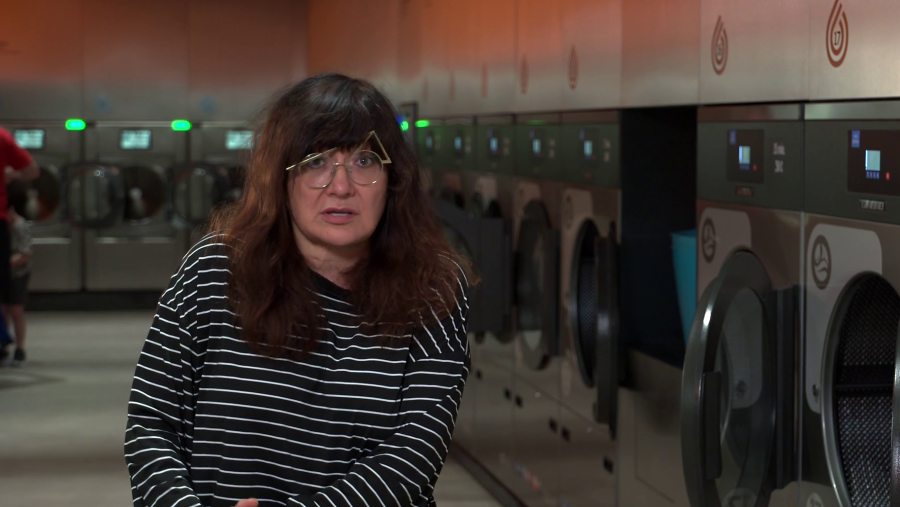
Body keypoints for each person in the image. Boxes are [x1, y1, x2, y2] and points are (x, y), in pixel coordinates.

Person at [124, 73, 475, 507]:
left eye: (365, 161)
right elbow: (151, 424)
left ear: (393, 178)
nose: (341, 186)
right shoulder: (215, 269)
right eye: (316, 163)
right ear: (279, 178)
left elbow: (412, 455)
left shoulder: (433, 288)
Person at [0, 127, 38, 364]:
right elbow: (32, 170)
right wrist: (12, 175)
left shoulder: (20, 227)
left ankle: (13, 345)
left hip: (17, 273)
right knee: (10, 302)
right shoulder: (2, 137)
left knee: (11, 305)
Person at [3, 181, 31, 366]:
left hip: (18, 274)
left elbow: (26, 254)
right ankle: (3, 345)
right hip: (5, 273)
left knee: (16, 311)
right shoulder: (3, 226)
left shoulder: (20, 227)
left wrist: (6, 262)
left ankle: (20, 348)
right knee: (3, 310)